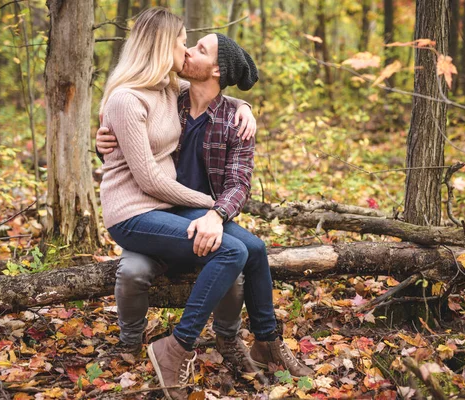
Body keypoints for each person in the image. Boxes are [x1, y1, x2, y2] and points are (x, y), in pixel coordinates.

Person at [98, 8, 312, 399]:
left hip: (182, 211)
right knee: (231, 252)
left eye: (196, 47)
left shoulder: (211, 109)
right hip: (146, 210)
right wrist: (103, 145)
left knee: (256, 248)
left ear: (216, 71)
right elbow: (136, 162)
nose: (186, 50)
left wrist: (245, 108)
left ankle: (267, 341)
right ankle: (176, 347)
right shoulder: (164, 94)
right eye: (183, 42)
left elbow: (239, 184)